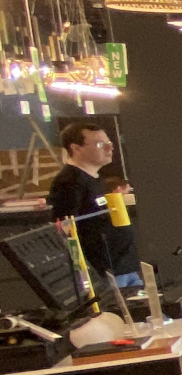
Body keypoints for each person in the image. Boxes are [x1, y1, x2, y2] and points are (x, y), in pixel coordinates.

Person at [47, 120, 141, 289]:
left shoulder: (95, 179)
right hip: (104, 272)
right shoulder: (69, 182)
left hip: (123, 267)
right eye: (99, 144)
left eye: (109, 143)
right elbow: (66, 230)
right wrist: (84, 272)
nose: (109, 148)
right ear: (76, 148)